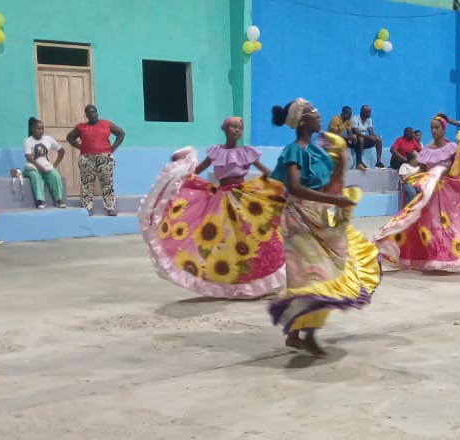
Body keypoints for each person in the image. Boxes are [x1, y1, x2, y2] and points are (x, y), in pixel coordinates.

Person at [268, 98, 381, 356]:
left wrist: (341, 164)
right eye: (314, 114)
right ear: (302, 121)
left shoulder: (317, 153)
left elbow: (325, 185)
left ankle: (297, 334)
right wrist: (335, 201)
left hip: (317, 216)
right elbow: (295, 188)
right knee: (311, 276)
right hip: (298, 218)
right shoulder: (293, 150)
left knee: (323, 274)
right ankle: (305, 334)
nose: (320, 118)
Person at [140, 116, 286, 299]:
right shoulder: (216, 152)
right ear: (224, 130)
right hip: (222, 198)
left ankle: (253, 283)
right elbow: (196, 172)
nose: (236, 130)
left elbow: (266, 171)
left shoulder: (246, 152)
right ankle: (227, 283)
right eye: (233, 126)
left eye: (239, 127)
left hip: (243, 198)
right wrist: (179, 174)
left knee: (249, 237)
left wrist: (283, 181)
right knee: (223, 240)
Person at [372, 114, 460, 271]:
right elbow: (422, 170)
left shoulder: (451, 148)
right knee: (427, 226)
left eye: (437, 127)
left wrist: (447, 170)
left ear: (443, 129)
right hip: (429, 194)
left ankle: (444, 257)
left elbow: (458, 169)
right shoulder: (426, 150)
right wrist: (412, 175)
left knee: (448, 226)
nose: (434, 131)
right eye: (432, 128)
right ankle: (429, 256)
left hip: (446, 194)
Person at [66, 105, 125, 216]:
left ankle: (110, 208)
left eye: (94, 112)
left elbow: (121, 133)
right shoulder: (81, 127)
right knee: (86, 184)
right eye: (89, 113)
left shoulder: (106, 124)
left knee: (107, 183)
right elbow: (70, 137)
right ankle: (87, 208)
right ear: (86, 115)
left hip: (105, 158)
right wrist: (80, 147)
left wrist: (113, 148)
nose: (92, 114)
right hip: (87, 158)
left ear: (97, 113)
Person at [23, 117, 67, 209]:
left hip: (46, 167)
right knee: (36, 177)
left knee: (55, 176)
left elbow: (61, 151)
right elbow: (28, 157)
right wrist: (38, 167)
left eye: (42, 128)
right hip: (33, 167)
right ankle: (40, 200)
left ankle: (58, 200)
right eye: (38, 128)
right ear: (32, 129)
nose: (41, 131)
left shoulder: (48, 139)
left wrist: (55, 165)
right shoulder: (28, 141)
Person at [348, 105, 384, 170]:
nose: (370, 114)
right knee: (361, 138)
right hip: (354, 141)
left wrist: (375, 137)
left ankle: (378, 162)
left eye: (370, 112)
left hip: (364, 140)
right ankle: (359, 163)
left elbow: (371, 132)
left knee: (379, 139)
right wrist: (369, 137)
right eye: (367, 112)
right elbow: (357, 132)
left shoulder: (369, 119)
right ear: (362, 112)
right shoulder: (355, 119)